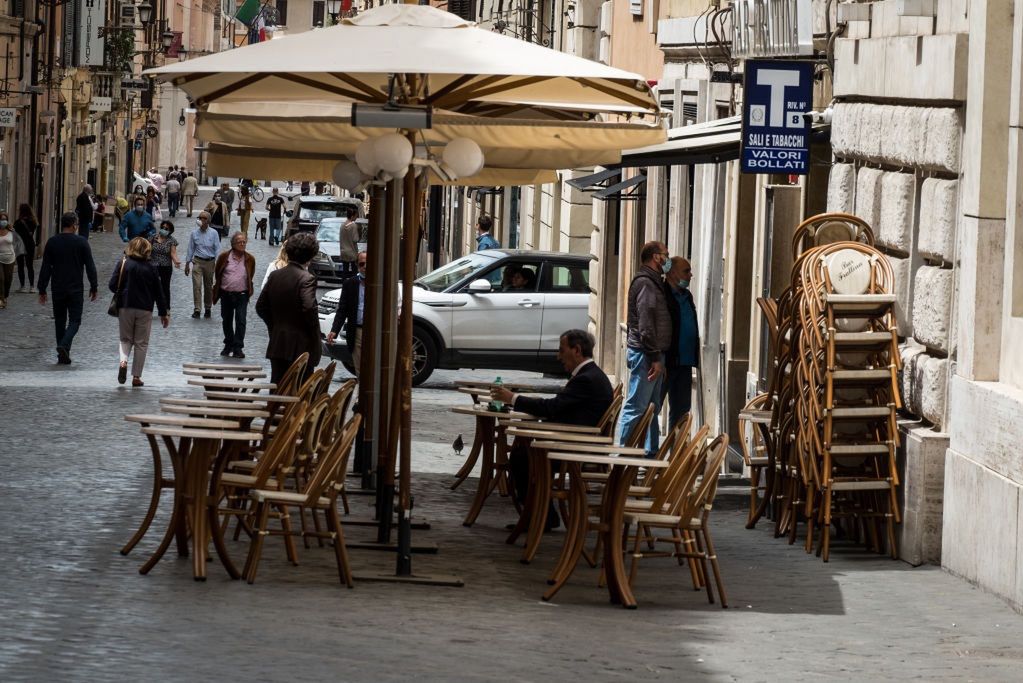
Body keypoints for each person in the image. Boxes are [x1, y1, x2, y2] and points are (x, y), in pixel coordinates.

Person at [491, 329, 614, 528]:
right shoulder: (589, 374)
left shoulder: (586, 378)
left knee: (522, 457)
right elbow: (559, 406)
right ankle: (543, 515)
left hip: (575, 446)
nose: (558, 356)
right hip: (574, 439)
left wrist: (512, 398)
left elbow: (552, 407)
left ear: (576, 350)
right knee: (523, 452)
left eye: (561, 350)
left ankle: (538, 517)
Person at [619, 241, 673, 457]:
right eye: (665, 255)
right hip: (646, 355)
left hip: (653, 354)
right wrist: (655, 358)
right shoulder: (646, 284)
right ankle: (621, 455)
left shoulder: (653, 282)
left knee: (652, 408)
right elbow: (646, 324)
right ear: (655, 257)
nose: (668, 259)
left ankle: (651, 454)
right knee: (636, 406)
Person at [256, 232, 322, 384]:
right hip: (301, 345)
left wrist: (276, 326)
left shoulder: (275, 275)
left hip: (278, 342)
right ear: (310, 255)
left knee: (278, 387)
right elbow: (309, 308)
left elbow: (261, 306)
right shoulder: (306, 278)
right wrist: (313, 334)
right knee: (299, 391)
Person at [37, 212, 98, 364]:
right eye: (76, 224)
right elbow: (90, 266)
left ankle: (63, 353)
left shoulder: (52, 242)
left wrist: (42, 288)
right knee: (75, 320)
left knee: (59, 320)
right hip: (75, 288)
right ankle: (63, 346)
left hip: (57, 287)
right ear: (73, 225)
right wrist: (94, 285)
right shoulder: (82, 242)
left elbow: (46, 268)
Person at [110, 237, 169, 387]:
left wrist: (123, 290)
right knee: (141, 343)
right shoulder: (151, 267)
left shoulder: (124, 263)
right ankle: (136, 377)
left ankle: (123, 362)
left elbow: (112, 285)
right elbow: (158, 292)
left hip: (125, 306)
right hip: (145, 308)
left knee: (125, 339)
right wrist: (163, 312)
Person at [213, 232, 255, 358]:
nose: (242, 244)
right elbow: (218, 273)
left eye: (244, 242)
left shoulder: (250, 259)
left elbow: (250, 274)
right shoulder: (224, 257)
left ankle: (238, 347)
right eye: (239, 242)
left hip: (242, 294)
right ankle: (229, 344)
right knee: (226, 320)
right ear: (233, 244)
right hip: (226, 294)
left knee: (241, 321)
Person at [326, 250, 367, 375]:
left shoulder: (381, 284)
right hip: (357, 331)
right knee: (360, 369)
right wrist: (334, 330)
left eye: (368, 263)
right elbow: (342, 309)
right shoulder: (350, 284)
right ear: (357, 266)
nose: (365, 267)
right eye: (362, 264)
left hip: (376, 332)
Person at [184, 211, 220, 319]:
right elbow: (190, 248)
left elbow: (217, 249)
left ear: (208, 221)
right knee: (197, 286)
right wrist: (187, 263)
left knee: (208, 287)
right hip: (197, 262)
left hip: (210, 262)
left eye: (204, 218)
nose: (201, 220)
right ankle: (197, 309)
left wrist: (218, 263)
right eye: (200, 218)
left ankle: (208, 308)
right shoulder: (194, 233)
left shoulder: (214, 233)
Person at [150, 220, 181, 310]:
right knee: (152, 287)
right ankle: (149, 307)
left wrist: (176, 261)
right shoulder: (153, 238)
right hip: (153, 266)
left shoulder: (172, 240)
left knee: (165, 287)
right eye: (162, 227)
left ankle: (166, 308)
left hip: (166, 267)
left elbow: (173, 253)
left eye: (166, 228)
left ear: (170, 230)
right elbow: (147, 250)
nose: (164, 229)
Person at [14, 203, 40, 293]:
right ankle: (32, 286)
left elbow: (15, 233)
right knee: (30, 266)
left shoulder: (17, 222)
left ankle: (22, 286)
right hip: (30, 244)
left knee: (21, 266)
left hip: (20, 245)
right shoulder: (33, 222)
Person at [338, 205, 360, 278]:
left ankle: (344, 285)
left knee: (345, 270)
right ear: (352, 216)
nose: (357, 217)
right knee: (354, 271)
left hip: (343, 250)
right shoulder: (353, 225)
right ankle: (353, 285)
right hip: (352, 251)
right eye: (356, 215)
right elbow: (355, 239)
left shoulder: (342, 225)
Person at [0, 213, 16, 307]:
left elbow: (17, 244)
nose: (3, 221)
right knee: (0, 279)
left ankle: (5, 296)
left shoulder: (11, 231)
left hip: (10, 258)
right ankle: (1, 299)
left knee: (8, 279)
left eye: (5, 219)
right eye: (1, 219)